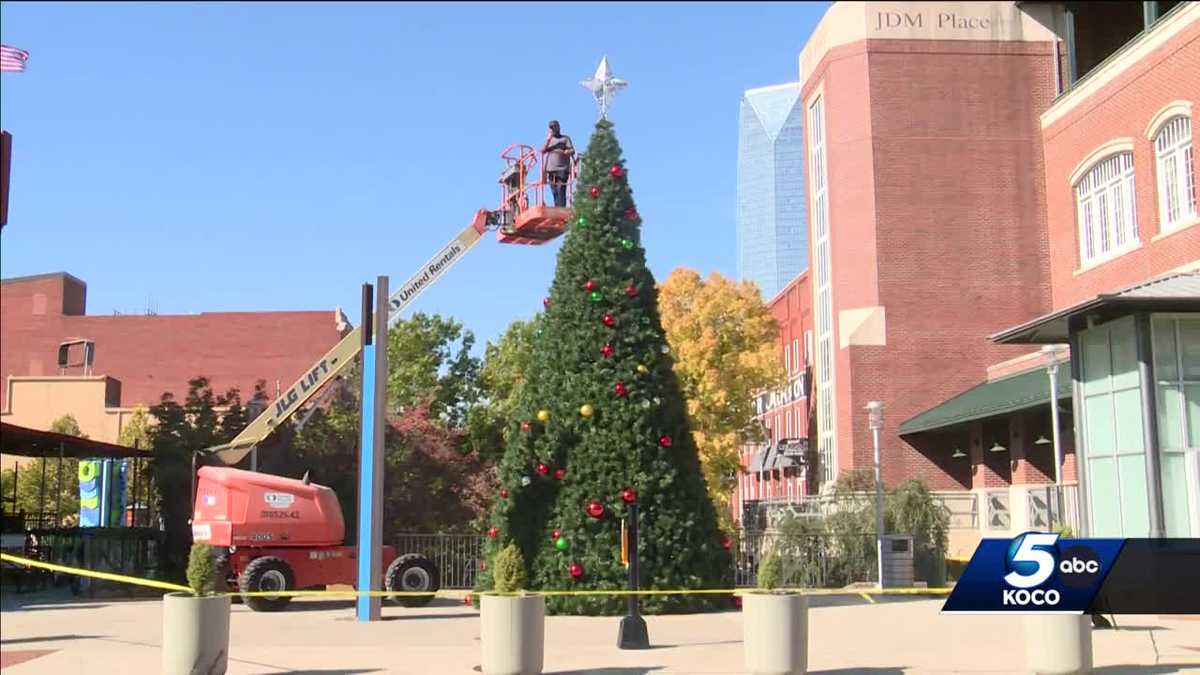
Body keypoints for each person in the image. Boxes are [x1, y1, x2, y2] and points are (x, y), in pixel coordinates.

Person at [542, 120, 574, 207]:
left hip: (562, 168)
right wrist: (548, 138)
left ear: (558, 127)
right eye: (551, 127)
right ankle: (557, 207)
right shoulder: (549, 140)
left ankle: (561, 208)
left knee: (561, 189)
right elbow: (542, 151)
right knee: (554, 190)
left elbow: (572, 150)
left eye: (554, 127)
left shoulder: (565, 139)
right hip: (551, 169)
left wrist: (567, 151)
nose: (553, 129)